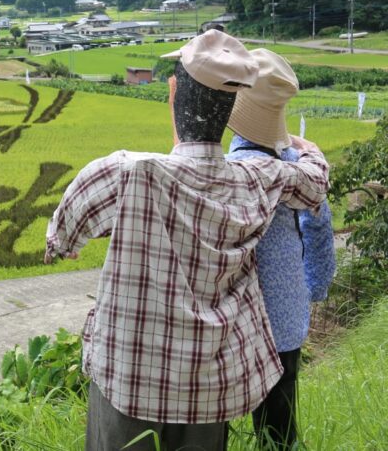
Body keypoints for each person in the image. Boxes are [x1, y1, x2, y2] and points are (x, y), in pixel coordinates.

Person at [44, 29, 330, 451]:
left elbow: (62, 239)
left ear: (173, 91)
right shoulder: (258, 180)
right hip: (209, 389)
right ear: (232, 106)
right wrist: (306, 148)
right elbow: (314, 183)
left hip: (129, 381)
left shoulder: (125, 174)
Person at [224, 49, 336, 449]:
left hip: (229, 320)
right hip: (285, 315)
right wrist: (315, 289)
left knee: (215, 419)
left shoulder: (223, 171)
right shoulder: (301, 168)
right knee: (279, 428)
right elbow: (319, 229)